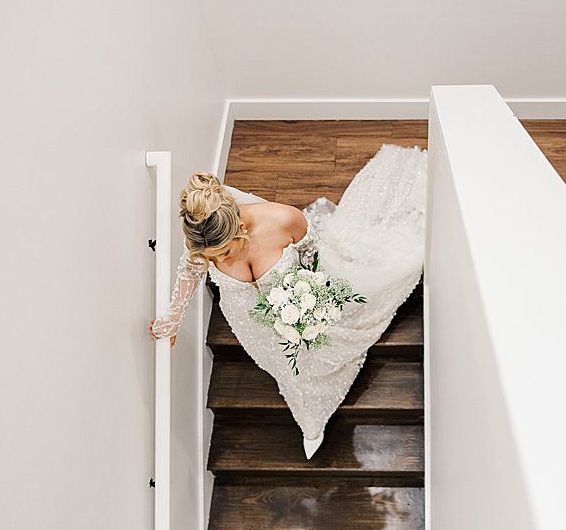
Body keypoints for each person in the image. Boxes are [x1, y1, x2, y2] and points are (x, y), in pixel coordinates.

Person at [148, 144, 427, 458]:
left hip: (298, 301)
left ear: (240, 226)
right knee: (283, 366)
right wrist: (171, 321)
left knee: (316, 352)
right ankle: (305, 411)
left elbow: (312, 258)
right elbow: (190, 269)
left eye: (225, 253)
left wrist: (311, 298)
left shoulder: (283, 220)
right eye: (214, 258)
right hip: (249, 321)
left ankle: (313, 420)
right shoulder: (200, 238)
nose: (220, 261)